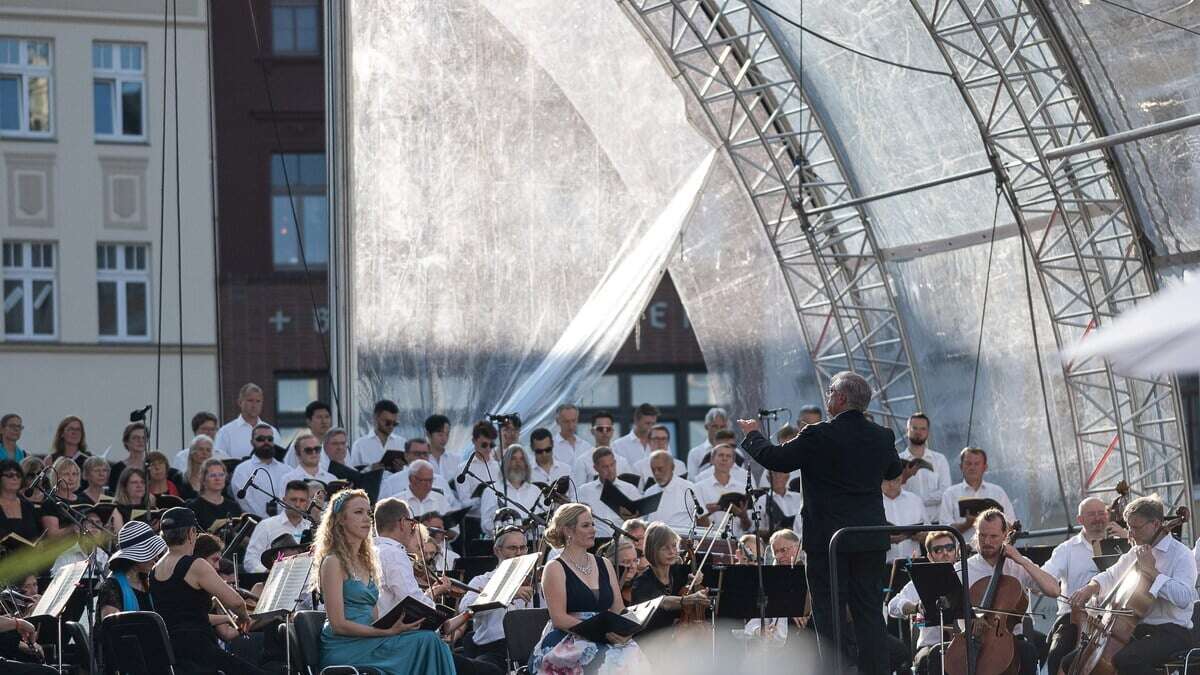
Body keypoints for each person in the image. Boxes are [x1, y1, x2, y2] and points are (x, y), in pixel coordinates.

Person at [736, 370, 914, 675]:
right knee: (869, 611)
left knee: (829, 613)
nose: (827, 397)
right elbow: (892, 469)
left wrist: (753, 433)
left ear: (841, 398)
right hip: (869, 539)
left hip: (828, 541)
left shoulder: (818, 434)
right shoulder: (881, 435)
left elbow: (776, 459)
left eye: (831, 392)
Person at [315, 489, 456, 674]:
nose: (366, 518)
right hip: (345, 647)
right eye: (358, 512)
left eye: (368, 513)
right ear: (341, 519)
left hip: (373, 639)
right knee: (427, 641)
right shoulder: (333, 562)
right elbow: (338, 625)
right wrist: (387, 632)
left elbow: (375, 617)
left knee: (429, 639)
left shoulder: (368, 561)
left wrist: (399, 629)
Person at [1065, 496, 1197, 675]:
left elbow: (1184, 598)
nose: (1131, 534)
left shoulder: (1181, 555)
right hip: (1140, 629)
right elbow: (1112, 574)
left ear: (1156, 524)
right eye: (1129, 527)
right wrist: (1091, 587)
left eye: (1136, 527)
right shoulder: (1137, 551)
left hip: (1173, 632)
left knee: (1126, 660)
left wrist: (1153, 573)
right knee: (1072, 660)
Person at [528, 503, 646, 673]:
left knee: (634, 652)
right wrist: (601, 632)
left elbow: (618, 608)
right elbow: (559, 618)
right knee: (606, 661)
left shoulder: (604, 563)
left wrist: (631, 627)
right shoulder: (554, 567)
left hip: (605, 635)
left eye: (592, 524)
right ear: (568, 530)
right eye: (585, 525)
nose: (593, 530)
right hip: (570, 639)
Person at [150, 506, 266, 675]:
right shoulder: (195, 564)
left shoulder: (155, 569)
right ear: (191, 533)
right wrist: (243, 618)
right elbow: (235, 601)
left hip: (170, 650)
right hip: (198, 649)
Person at [955, 509, 1061, 675]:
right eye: (982, 535)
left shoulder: (1016, 565)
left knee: (1027, 652)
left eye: (993, 536)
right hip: (972, 638)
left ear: (1005, 535)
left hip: (1010, 639)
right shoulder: (963, 568)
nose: (986, 541)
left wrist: (1020, 560)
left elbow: (1054, 590)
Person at [1042, 497, 1127, 675]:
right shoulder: (1066, 549)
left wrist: (1127, 538)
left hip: (1113, 617)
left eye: (1101, 513)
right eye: (1091, 514)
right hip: (1072, 617)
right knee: (1057, 655)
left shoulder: (1124, 544)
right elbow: (1046, 576)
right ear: (1080, 520)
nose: (1098, 518)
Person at [459, 526, 534, 671]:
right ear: (497, 550)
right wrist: (507, 593)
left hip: (529, 648)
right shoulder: (481, 581)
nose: (518, 553)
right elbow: (465, 609)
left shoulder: (535, 581)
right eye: (512, 548)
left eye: (523, 548)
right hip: (493, 650)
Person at [887, 531, 962, 674]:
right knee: (935, 656)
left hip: (963, 644)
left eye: (949, 547)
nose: (945, 553)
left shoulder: (967, 573)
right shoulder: (921, 580)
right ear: (929, 556)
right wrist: (915, 607)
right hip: (930, 646)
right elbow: (893, 605)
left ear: (956, 551)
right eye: (938, 550)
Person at [97, 521, 168, 668]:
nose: (155, 559)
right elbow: (111, 627)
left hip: (149, 653)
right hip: (125, 659)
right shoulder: (112, 586)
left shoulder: (148, 582)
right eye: (150, 553)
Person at [628, 522, 707, 634]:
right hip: (652, 641)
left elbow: (687, 587)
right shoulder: (642, 582)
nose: (672, 552)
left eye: (674, 545)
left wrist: (692, 582)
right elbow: (663, 603)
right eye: (665, 548)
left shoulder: (679, 572)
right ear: (653, 550)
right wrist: (687, 599)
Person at [938, 447, 1016, 542]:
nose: (972, 467)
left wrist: (993, 523)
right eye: (968, 463)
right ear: (961, 467)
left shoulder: (997, 492)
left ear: (985, 467)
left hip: (993, 552)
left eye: (977, 464)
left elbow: (1011, 524)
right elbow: (944, 531)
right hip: (961, 552)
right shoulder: (950, 494)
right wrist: (967, 524)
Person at [244, 480, 312, 574]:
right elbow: (250, 560)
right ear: (284, 500)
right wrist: (269, 573)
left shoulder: (311, 527)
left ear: (308, 503)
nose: (297, 504)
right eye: (293, 499)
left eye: (302, 500)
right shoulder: (266, 525)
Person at [577, 447, 642, 539]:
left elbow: (640, 521)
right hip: (594, 542)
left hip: (623, 542)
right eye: (605, 467)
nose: (610, 470)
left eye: (612, 465)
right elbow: (575, 519)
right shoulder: (584, 491)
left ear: (615, 463)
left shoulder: (629, 490)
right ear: (595, 468)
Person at [231, 423, 292, 518]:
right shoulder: (242, 470)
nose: (266, 442)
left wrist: (281, 520)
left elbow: (293, 499)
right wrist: (267, 522)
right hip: (256, 525)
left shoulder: (287, 470)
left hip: (285, 524)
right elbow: (245, 502)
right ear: (252, 442)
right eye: (261, 439)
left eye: (270, 439)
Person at [898, 413, 952, 522]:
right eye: (914, 428)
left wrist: (917, 499)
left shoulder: (939, 460)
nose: (918, 432)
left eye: (923, 429)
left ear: (928, 432)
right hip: (909, 523)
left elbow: (945, 491)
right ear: (907, 430)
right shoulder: (897, 460)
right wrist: (905, 477)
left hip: (937, 524)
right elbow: (894, 493)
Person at [480, 445, 541, 535]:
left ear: (526, 464)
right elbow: (485, 525)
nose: (518, 463)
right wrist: (507, 528)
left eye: (521, 459)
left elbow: (544, 522)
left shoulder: (535, 491)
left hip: (533, 544)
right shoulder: (492, 490)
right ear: (506, 463)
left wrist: (529, 527)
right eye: (513, 459)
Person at [693, 443, 751, 534]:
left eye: (728, 456)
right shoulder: (699, 487)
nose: (724, 459)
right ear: (712, 459)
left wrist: (743, 516)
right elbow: (696, 523)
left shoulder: (743, 488)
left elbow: (747, 528)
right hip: (710, 540)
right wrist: (708, 512)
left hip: (737, 542)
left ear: (733, 462)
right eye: (721, 455)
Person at [214, 383, 279, 460]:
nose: (254, 405)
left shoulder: (272, 431)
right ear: (240, 402)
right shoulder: (225, 432)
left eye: (258, 401)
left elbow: (280, 460)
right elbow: (219, 460)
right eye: (250, 400)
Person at [642, 450, 697, 534]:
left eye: (660, 469)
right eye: (653, 470)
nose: (656, 473)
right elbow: (644, 521)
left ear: (672, 467)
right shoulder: (649, 492)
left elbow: (702, 519)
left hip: (683, 540)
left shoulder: (688, 488)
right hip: (654, 541)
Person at [454, 421, 502, 518]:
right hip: (475, 521)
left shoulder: (499, 467)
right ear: (474, 441)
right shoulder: (463, 469)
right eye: (484, 445)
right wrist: (483, 497)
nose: (488, 449)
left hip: (498, 519)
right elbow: (464, 503)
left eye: (491, 445)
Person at [185, 458, 242, 531]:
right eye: (212, 475)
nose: (218, 478)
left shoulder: (234, 506)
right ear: (203, 479)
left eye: (221, 475)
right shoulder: (193, 507)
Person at [349, 399, 406, 469]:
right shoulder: (359, 445)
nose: (391, 426)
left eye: (395, 424)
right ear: (375, 418)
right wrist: (370, 469)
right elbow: (353, 473)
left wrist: (402, 469)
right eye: (387, 422)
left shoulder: (402, 443)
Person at [385, 459, 452, 517]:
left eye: (431, 480)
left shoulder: (440, 499)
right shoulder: (396, 502)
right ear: (412, 479)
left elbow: (451, 526)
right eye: (424, 480)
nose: (428, 484)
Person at [882, 476, 925, 562]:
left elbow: (929, 532)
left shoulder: (915, 500)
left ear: (901, 479)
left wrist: (922, 536)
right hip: (885, 563)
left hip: (913, 561)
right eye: (887, 481)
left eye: (894, 480)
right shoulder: (875, 504)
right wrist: (886, 540)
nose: (891, 485)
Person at [40, 457, 85, 537]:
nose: (71, 478)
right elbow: (52, 535)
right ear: (56, 476)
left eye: (74, 474)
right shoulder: (50, 502)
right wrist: (73, 528)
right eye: (66, 474)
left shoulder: (84, 500)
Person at [0, 459, 40, 543]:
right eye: (10, 475)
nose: (15, 478)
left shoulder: (28, 506)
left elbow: (35, 535)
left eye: (18, 475)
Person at [285, 401, 334, 468]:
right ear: (309, 421)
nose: (324, 421)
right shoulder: (299, 445)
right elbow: (290, 469)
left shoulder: (337, 444)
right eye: (319, 417)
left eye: (327, 417)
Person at [686, 407, 729, 480]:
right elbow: (692, 482)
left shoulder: (737, 453)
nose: (719, 430)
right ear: (706, 427)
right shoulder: (695, 453)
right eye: (715, 426)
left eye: (722, 427)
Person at [611, 404, 659, 468]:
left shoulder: (661, 443)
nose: (651, 427)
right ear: (636, 421)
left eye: (653, 424)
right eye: (647, 423)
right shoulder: (618, 446)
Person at [755, 470, 802, 535]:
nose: (777, 477)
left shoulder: (798, 498)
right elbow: (759, 529)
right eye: (774, 474)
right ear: (768, 478)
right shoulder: (762, 501)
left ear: (787, 477)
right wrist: (773, 531)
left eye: (780, 474)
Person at [107, 422, 149, 492]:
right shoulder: (118, 468)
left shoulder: (150, 466)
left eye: (144, 438)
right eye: (135, 438)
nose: (140, 441)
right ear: (126, 441)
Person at [179, 435, 215, 500]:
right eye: (201, 449)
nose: (204, 453)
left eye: (208, 450)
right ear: (192, 453)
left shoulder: (217, 479)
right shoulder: (180, 478)